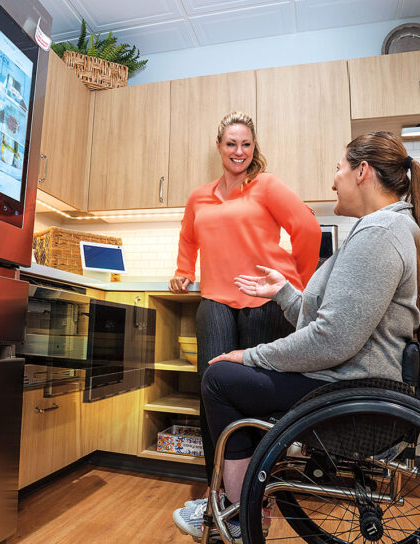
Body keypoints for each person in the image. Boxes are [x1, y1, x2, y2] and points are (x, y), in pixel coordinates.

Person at [173, 130, 420, 542]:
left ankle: (240, 511)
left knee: (220, 379)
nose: (334, 180)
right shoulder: (382, 230)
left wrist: (252, 356)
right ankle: (238, 503)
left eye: (339, 169)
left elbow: (332, 339)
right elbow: (330, 325)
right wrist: (283, 291)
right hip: (349, 378)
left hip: (348, 388)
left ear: (362, 172)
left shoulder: (379, 234)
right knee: (230, 375)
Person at [169, 111, 321, 528]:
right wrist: (184, 270)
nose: (239, 151)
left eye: (246, 144)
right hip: (216, 299)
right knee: (212, 391)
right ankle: (220, 497)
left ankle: (257, 497)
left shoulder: (266, 186)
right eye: (231, 143)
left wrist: (301, 286)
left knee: (254, 398)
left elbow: (306, 227)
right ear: (219, 146)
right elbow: (188, 237)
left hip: (264, 303)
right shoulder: (200, 196)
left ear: (255, 148)